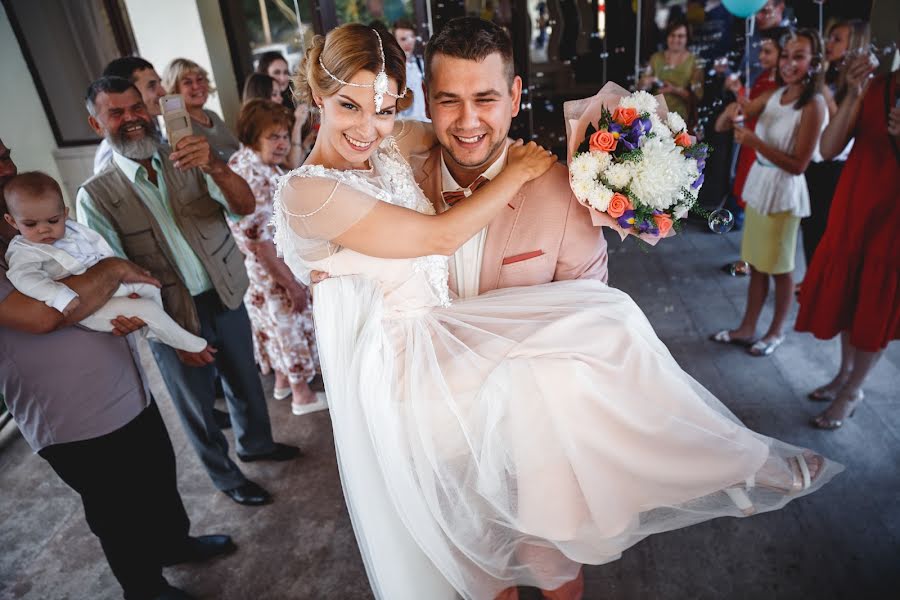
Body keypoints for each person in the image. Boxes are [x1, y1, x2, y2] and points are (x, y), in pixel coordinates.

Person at [276, 23, 839, 600]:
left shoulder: (522, 182)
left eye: (485, 99)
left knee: (600, 329)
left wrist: (627, 157)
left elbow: (582, 304)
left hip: (522, 428)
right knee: (477, 572)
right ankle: (735, 461)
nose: (467, 121)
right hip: (421, 397)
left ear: (516, 96)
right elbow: (428, 235)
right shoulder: (357, 171)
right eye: (448, 101)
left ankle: (728, 460)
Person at [0, 137, 235, 600]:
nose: (4, 166)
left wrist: (112, 287)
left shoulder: (43, 219)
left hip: (125, 385)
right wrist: (111, 270)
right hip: (73, 415)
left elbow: (91, 287)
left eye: (4, 153)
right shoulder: (18, 247)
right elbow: (45, 316)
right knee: (117, 509)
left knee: (156, 476)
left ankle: (173, 543)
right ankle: (144, 588)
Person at [76, 76, 300, 506]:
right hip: (171, 314)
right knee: (197, 408)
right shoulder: (96, 196)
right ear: (95, 123)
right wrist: (171, 336)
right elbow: (115, 277)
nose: (132, 119)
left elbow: (243, 206)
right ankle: (227, 477)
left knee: (246, 383)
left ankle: (257, 444)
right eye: (116, 113)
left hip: (225, 292)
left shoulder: (192, 154)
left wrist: (216, 166)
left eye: (137, 108)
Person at [795, 55, 899, 429]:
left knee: (875, 303)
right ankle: (844, 373)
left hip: (893, 218)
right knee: (851, 296)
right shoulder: (880, 84)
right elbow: (827, 148)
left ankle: (854, 389)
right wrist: (854, 94)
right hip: (856, 206)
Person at [711, 29, 827, 357]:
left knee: (780, 267)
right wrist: (733, 105)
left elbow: (799, 165)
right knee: (757, 263)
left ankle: (775, 332)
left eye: (799, 56)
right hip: (761, 185)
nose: (789, 63)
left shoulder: (814, 104)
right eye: (786, 56)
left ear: (814, 62)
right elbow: (726, 123)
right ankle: (747, 327)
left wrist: (755, 143)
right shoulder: (775, 95)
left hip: (784, 190)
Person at [3, 171, 206, 352]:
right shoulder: (24, 251)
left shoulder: (71, 229)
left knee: (149, 286)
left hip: (105, 286)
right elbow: (24, 277)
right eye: (30, 224)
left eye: (53, 221)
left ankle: (157, 330)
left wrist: (112, 270)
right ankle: (186, 343)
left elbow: (94, 246)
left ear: (65, 214)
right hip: (82, 306)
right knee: (147, 310)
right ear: (12, 221)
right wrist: (57, 295)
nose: (43, 229)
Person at [228, 99, 322, 416]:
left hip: (261, 270)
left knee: (276, 325)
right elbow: (260, 242)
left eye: (284, 136)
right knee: (287, 324)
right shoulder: (252, 176)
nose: (282, 144)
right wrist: (292, 284)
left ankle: (283, 381)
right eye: (274, 137)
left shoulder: (249, 162)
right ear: (254, 136)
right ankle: (302, 395)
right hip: (270, 269)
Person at [798, 20, 870, 294]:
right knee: (810, 227)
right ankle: (811, 280)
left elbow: (836, 125)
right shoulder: (827, 77)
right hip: (815, 164)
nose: (829, 44)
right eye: (829, 38)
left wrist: (822, 89)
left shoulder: (858, 85)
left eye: (837, 39)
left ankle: (822, 285)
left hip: (837, 169)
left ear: (855, 46)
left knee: (825, 231)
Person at [723, 27, 786, 277]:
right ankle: (749, 256)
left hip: (761, 149)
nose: (761, 55)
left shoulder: (777, 85)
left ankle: (754, 259)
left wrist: (736, 91)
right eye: (761, 50)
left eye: (768, 52)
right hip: (750, 145)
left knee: (758, 206)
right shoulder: (763, 77)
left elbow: (754, 109)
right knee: (750, 205)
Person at [94, 56, 168, 174]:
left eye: (160, 83)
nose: (163, 92)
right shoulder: (111, 157)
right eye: (151, 86)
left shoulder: (153, 135)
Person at [162, 58, 239, 161]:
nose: (196, 86)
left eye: (199, 79)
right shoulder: (178, 125)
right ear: (174, 89)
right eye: (188, 82)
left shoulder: (212, 115)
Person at [639, 19, 703, 126]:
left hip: (679, 118)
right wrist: (645, 82)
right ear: (667, 37)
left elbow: (697, 97)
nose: (675, 39)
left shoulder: (694, 62)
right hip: (654, 115)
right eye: (672, 35)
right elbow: (640, 87)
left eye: (680, 36)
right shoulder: (656, 58)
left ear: (687, 38)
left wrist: (674, 90)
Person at [393, 19, 429, 122]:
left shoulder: (420, 63)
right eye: (403, 39)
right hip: (405, 124)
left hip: (425, 122)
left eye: (411, 37)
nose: (408, 42)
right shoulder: (392, 69)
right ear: (395, 41)